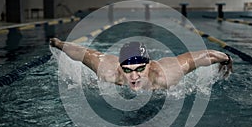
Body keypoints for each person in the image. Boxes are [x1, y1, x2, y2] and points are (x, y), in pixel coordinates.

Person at [50, 38, 233, 90]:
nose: (134, 76)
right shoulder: (109, 71)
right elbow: (85, 54)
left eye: (140, 69)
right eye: (127, 70)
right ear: (119, 67)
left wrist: (225, 58)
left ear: (150, 65)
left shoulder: (168, 74)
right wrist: (58, 44)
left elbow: (201, 57)